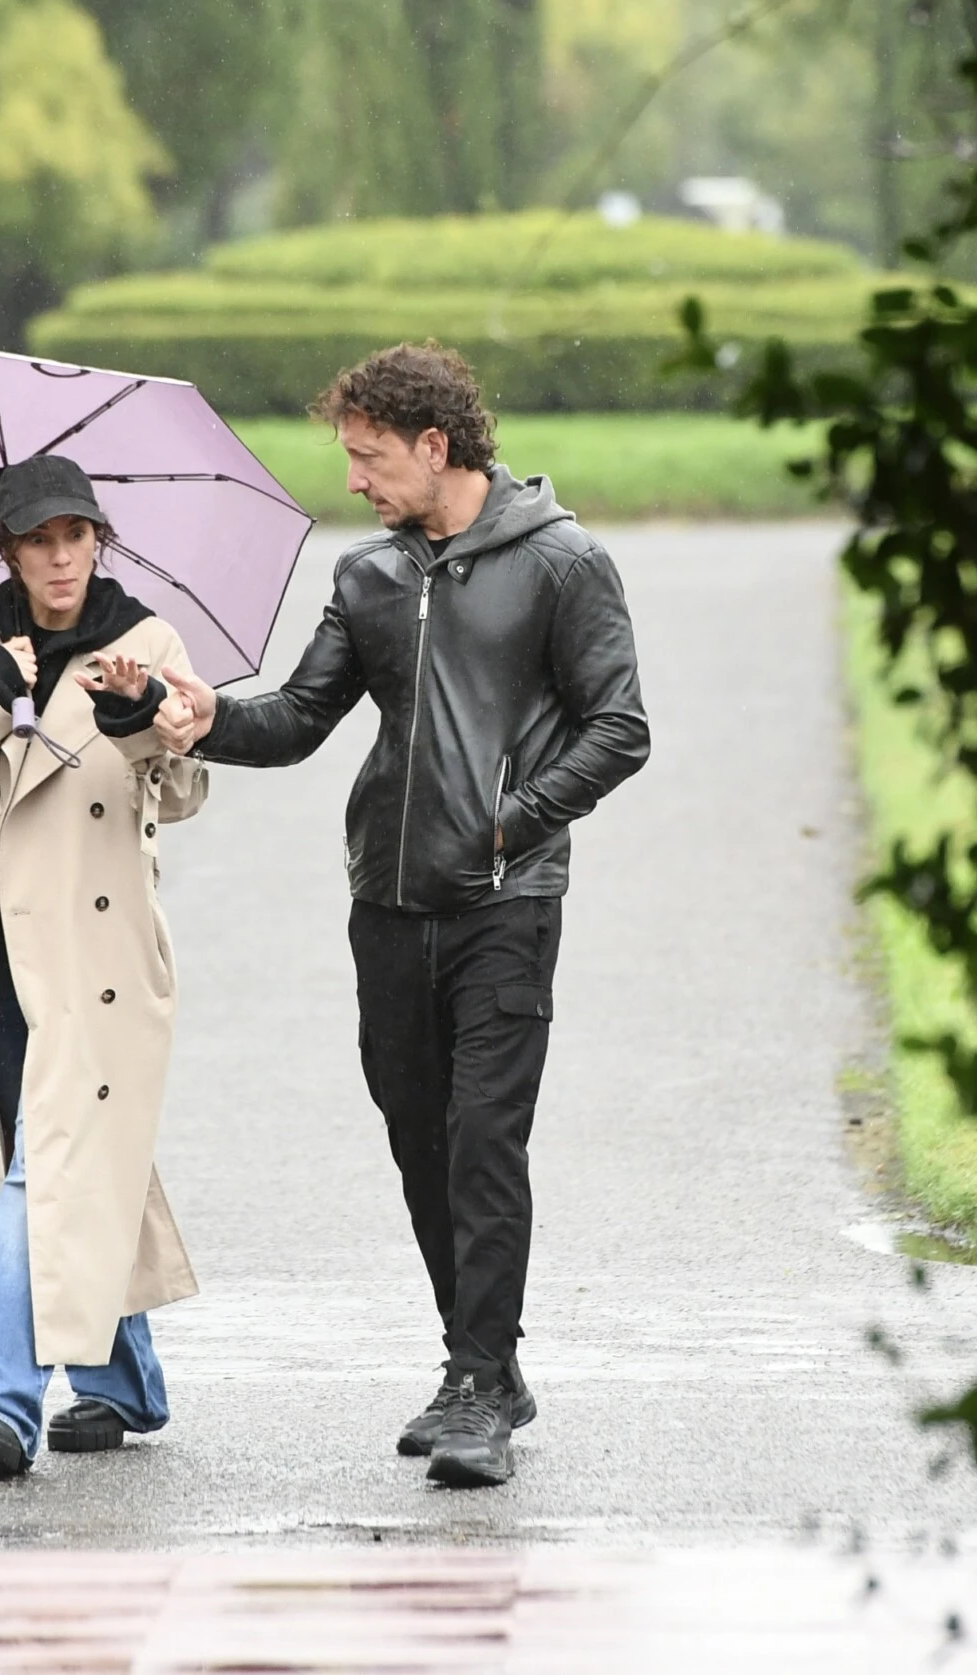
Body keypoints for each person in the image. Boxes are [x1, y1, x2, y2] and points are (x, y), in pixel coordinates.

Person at [159, 342, 650, 1488]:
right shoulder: (369, 580)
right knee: (419, 1138)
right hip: (384, 905)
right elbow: (293, 720)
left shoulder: (565, 565)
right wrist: (190, 716)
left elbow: (618, 728)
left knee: (484, 1140)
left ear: (438, 447)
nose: (356, 483)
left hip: (503, 903)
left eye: (370, 459)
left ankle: (480, 1385)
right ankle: (478, 1363)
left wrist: (511, 821)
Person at [0, 454, 209, 1477]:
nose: (60, 559)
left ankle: (0, 1405)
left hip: (97, 950)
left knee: (44, 1161)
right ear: (8, 550)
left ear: (98, 540)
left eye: (75, 538)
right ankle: (121, 1382)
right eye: (37, 541)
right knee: (66, 1158)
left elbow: (188, 788)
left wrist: (140, 720)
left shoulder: (145, 638)